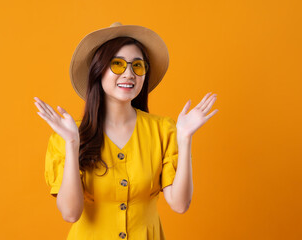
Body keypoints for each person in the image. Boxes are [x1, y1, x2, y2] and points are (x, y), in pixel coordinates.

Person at [33, 22, 218, 240]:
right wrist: (73, 143)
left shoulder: (164, 130)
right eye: (117, 64)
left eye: (137, 66)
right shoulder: (66, 136)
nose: (129, 73)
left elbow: (179, 204)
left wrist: (185, 138)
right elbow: (70, 213)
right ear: (98, 70)